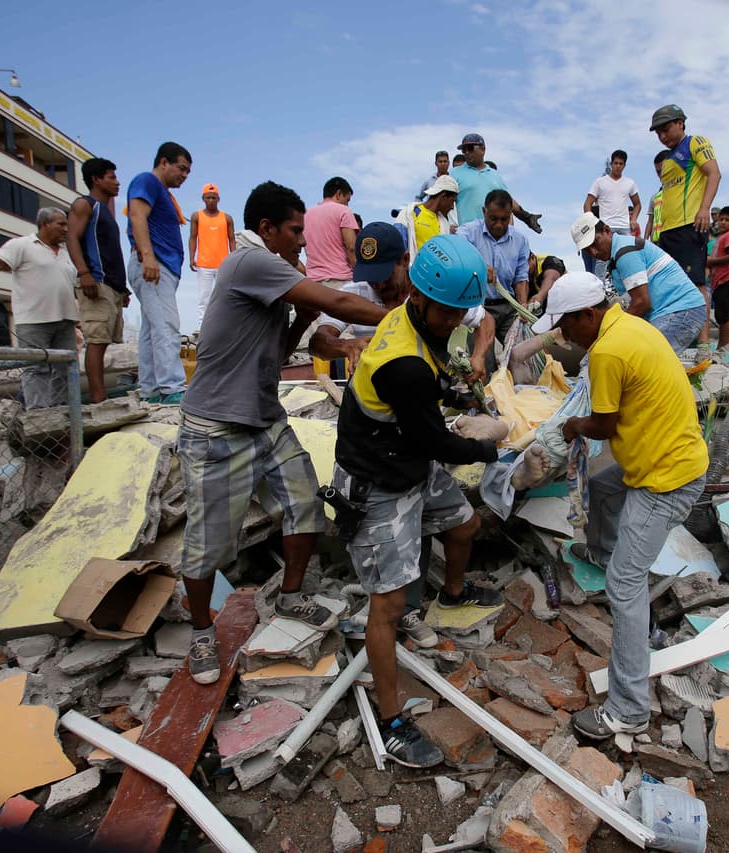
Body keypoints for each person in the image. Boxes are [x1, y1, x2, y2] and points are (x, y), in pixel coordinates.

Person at [176, 181, 390, 685]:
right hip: (217, 427)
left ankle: (292, 598)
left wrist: (303, 319)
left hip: (265, 418)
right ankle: (202, 631)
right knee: (208, 541)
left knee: (305, 507)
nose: (303, 242)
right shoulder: (249, 261)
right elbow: (340, 299)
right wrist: (410, 320)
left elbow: (278, 352)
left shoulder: (271, 275)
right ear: (266, 229)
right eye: (296, 231)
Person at [333, 233, 505, 767]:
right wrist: (492, 448)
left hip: (407, 460)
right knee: (387, 604)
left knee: (462, 526)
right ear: (423, 296)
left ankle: (450, 595)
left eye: (461, 312)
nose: (457, 321)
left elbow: (427, 399)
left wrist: (453, 393)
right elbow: (435, 441)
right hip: (377, 480)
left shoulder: (414, 318)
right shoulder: (402, 358)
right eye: (450, 313)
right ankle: (390, 723)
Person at [532, 272, 707, 741]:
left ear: (588, 314)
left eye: (567, 326)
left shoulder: (608, 350)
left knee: (625, 585)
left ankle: (628, 709)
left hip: (665, 481)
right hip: (671, 460)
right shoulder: (631, 325)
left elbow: (605, 426)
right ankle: (604, 549)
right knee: (604, 489)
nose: (564, 336)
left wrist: (567, 428)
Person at [311, 221, 495, 385]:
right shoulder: (354, 293)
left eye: (385, 275)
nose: (379, 284)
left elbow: (485, 320)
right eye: (370, 277)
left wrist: (478, 356)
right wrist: (345, 346)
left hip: (426, 386)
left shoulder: (432, 291)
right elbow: (318, 342)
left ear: (405, 260)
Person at [0, 208, 78, 408]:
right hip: (34, 321)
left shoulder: (65, 254)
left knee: (65, 368)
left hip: (65, 320)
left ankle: (63, 410)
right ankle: (38, 412)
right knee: (35, 368)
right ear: (45, 224)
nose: (66, 229)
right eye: (60, 224)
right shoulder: (22, 245)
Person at [571, 212, 707, 357]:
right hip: (671, 312)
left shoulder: (625, 252)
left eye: (595, 242)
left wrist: (614, 333)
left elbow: (642, 302)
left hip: (681, 310)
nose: (593, 252)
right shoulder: (617, 253)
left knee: (641, 358)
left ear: (607, 231)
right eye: (586, 250)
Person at [650, 104, 721, 348]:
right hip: (668, 233)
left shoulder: (695, 143)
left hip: (689, 226)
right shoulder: (668, 159)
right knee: (672, 286)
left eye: (665, 129)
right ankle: (682, 338)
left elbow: (714, 173)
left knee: (696, 283)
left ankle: (702, 341)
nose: (662, 136)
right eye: (657, 132)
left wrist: (704, 209)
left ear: (680, 122)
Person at [127, 141, 192, 404]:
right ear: (164, 162)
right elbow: (137, 215)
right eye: (182, 168)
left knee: (151, 331)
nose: (184, 175)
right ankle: (171, 388)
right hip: (154, 265)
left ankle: (152, 389)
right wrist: (148, 256)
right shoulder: (148, 181)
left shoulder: (164, 193)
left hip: (159, 266)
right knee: (167, 326)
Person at [65, 157, 127, 403]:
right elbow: (72, 238)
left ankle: (101, 395)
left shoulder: (107, 213)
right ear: (96, 179)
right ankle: (98, 397)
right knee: (96, 341)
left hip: (111, 286)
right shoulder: (85, 205)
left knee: (105, 340)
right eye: (111, 177)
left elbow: (111, 253)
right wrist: (84, 272)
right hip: (95, 282)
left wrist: (122, 288)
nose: (116, 182)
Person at [459, 189, 531, 344]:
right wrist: (480, 267)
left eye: (504, 219)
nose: (498, 225)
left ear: (510, 214)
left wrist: (522, 306)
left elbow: (520, 277)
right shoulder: (467, 232)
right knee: (483, 361)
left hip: (508, 308)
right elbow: (458, 254)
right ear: (484, 212)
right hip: (478, 308)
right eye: (493, 218)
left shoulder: (520, 240)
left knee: (520, 353)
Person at [450, 133, 542, 233]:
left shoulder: (494, 175)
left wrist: (527, 217)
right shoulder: (454, 173)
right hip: (468, 235)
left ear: (483, 149)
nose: (466, 152)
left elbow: (507, 199)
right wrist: (447, 225)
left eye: (470, 148)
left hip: (493, 235)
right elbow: (442, 201)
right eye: (464, 150)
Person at [584, 150, 642, 274]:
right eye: (616, 163)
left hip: (624, 227)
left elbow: (637, 204)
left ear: (624, 165)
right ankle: (599, 289)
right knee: (602, 260)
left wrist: (633, 220)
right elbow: (587, 204)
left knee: (629, 257)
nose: (618, 166)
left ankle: (629, 286)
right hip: (606, 227)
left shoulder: (629, 183)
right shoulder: (600, 182)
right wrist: (592, 223)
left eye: (621, 164)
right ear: (611, 164)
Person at [189, 183, 235, 330]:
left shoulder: (226, 218)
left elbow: (232, 239)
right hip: (204, 264)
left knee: (225, 297)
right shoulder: (197, 216)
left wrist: (233, 259)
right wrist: (192, 257)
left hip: (223, 264)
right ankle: (204, 327)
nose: (211, 201)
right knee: (204, 298)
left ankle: (224, 326)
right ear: (203, 198)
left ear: (218, 199)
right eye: (208, 198)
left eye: (213, 198)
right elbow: (193, 237)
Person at [304, 177, 360, 289]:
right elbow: (351, 247)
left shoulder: (305, 215)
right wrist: (359, 274)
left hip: (312, 283)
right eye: (347, 200)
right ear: (339, 194)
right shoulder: (343, 211)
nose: (347, 204)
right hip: (340, 281)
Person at [394, 175, 458, 256]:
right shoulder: (408, 214)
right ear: (443, 196)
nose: (452, 207)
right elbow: (397, 250)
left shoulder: (444, 224)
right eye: (452, 201)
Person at [707, 205, 729, 349]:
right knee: (720, 315)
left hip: (727, 279)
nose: (723, 222)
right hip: (718, 281)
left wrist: (710, 261)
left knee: (725, 315)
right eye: (721, 219)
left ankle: (724, 346)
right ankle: (722, 345)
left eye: (727, 220)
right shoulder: (720, 237)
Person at [642, 150, 670, 245]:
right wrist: (645, 241)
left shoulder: (681, 192)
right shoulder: (655, 197)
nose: (660, 174)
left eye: (663, 170)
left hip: (674, 239)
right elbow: (650, 221)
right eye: (658, 172)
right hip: (657, 241)